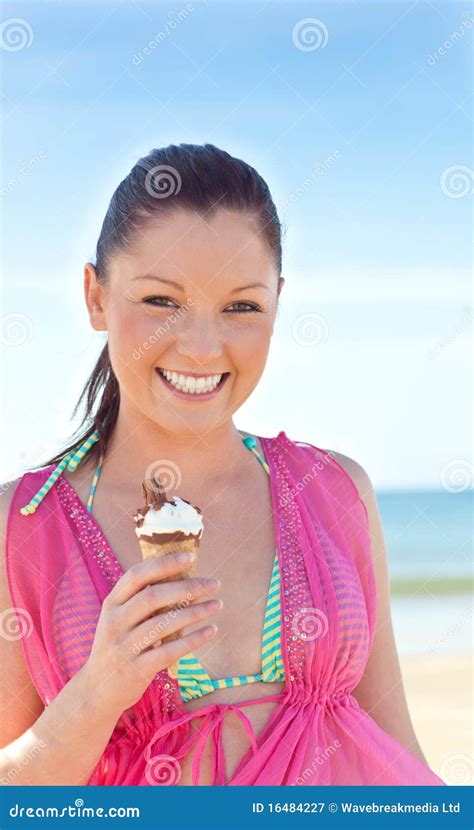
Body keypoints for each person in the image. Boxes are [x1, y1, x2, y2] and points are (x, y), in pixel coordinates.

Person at [0, 144, 444, 786]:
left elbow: (397, 754)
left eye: (241, 306)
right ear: (96, 297)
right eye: (159, 301)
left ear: (277, 303)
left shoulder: (335, 490)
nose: (203, 347)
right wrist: (97, 696)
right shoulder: (25, 526)